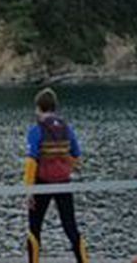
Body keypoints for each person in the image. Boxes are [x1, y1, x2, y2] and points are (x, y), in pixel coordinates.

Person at [23, 88, 88, 263]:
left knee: (34, 227)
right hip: (64, 182)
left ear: (38, 108)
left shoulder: (36, 130)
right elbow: (76, 156)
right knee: (70, 226)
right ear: (55, 107)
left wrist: (29, 190)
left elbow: (31, 161)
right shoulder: (67, 128)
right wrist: (63, 163)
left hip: (41, 183)